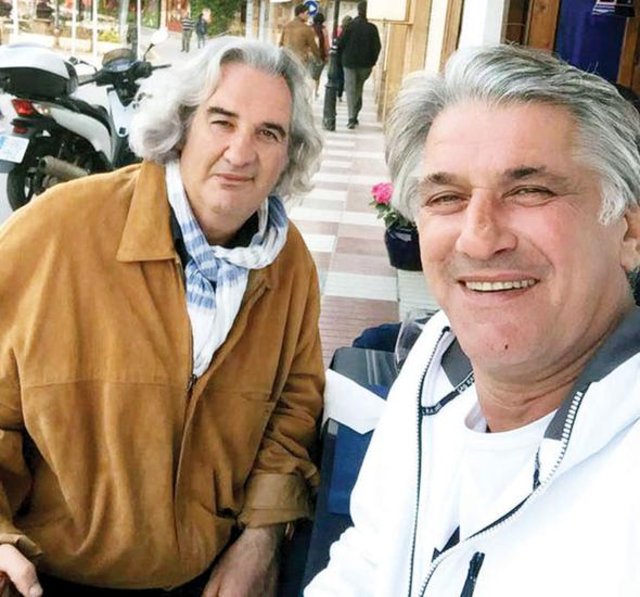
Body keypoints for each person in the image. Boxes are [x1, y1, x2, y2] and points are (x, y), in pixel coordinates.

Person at [306, 44, 640, 596]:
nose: (479, 238)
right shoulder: (437, 356)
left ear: (629, 229)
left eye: (529, 190)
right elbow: (369, 557)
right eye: (447, 197)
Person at [0, 37, 324, 597]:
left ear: (287, 154)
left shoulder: (288, 263)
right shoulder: (54, 232)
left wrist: (261, 540)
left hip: (208, 579)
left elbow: (294, 413)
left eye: (268, 133)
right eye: (222, 121)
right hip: (47, 578)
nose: (241, 153)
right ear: (183, 126)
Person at [338, 1, 380, 129]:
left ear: (358, 10)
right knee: (358, 88)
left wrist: (341, 59)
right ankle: (355, 113)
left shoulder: (349, 26)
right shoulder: (372, 28)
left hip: (349, 63)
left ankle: (351, 117)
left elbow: (340, 43)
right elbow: (377, 47)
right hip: (365, 65)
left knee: (351, 90)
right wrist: (372, 61)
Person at [279, 3, 320, 69]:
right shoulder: (307, 29)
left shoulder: (287, 26)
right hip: (300, 63)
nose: (308, 16)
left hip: (286, 61)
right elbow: (313, 47)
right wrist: (318, 60)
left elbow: (280, 44)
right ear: (301, 14)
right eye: (307, 13)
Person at [309, 12, 330, 98]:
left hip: (310, 54)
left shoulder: (310, 29)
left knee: (310, 75)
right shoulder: (324, 30)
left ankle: (310, 91)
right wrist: (327, 55)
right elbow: (326, 44)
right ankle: (315, 92)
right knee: (317, 76)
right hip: (321, 55)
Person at [334, 15, 352, 102]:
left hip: (339, 56)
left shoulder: (341, 31)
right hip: (347, 57)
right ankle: (340, 93)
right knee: (343, 76)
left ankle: (338, 93)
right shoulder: (351, 32)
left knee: (339, 75)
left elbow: (338, 43)